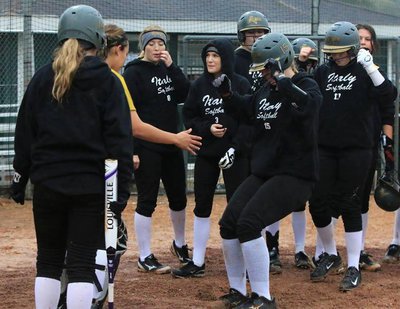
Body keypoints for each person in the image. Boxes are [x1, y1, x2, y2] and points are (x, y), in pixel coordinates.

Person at [10, 5, 133, 308]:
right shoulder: (108, 81)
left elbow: (25, 131)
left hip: (48, 185)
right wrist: (121, 190)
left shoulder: (42, 77)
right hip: (89, 188)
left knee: (48, 261)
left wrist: (19, 176)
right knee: (80, 264)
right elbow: (120, 141)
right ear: (97, 39)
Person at [216, 33, 322, 308]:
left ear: (281, 60)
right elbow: (246, 108)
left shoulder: (305, 83)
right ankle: (237, 291)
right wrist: (228, 94)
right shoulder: (265, 90)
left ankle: (263, 298)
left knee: (249, 223)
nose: (263, 74)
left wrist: (284, 83)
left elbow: (309, 105)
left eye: (266, 68)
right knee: (229, 224)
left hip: (295, 174)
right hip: (265, 170)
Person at [309, 21, 395, 291]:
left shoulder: (365, 70)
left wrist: (370, 67)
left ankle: (354, 266)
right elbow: (309, 98)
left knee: (350, 203)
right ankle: (332, 254)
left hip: (357, 148)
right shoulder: (323, 72)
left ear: (353, 49)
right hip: (325, 146)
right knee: (318, 203)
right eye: (333, 51)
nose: (336, 55)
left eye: (341, 50)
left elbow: (389, 95)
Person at [171, 38, 251, 278]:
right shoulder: (199, 85)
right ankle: (197, 262)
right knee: (202, 205)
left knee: (237, 206)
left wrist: (235, 147)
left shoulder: (240, 83)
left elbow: (248, 120)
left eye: (215, 56)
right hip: (207, 153)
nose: (210, 60)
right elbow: (190, 116)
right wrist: (208, 129)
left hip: (234, 154)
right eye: (207, 56)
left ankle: (243, 263)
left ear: (225, 58)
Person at [123, 25, 192, 274]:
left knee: (179, 197)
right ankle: (144, 255)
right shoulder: (133, 73)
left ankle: (180, 244)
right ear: (143, 47)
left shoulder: (168, 68)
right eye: (152, 44)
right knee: (147, 200)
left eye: (160, 44)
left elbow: (186, 93)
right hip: (146, 145)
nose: (157, 48)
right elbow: (127, 116)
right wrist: (132, 151)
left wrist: (173, 67)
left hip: (172, 142)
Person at [234, 10, 271, 92]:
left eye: (260, 32)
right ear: (242, 36)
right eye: (251, 32)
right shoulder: (234, 60)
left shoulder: (270, 57)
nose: (256, 37)